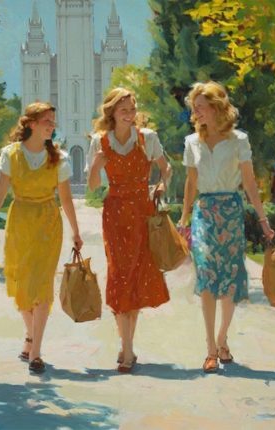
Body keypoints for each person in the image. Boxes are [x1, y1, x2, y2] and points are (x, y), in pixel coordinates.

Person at [177, 81, 275, 374]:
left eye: (201, 107)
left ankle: (222, 340)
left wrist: (263, 220)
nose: (197, 113)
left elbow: (250, 183)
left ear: (217, 108)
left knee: (230, 280)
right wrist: (184, 218)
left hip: (231, 212)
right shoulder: (191, 142)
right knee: (207, 278)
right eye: (194, 109)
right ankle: (210, 349)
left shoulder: (239, 140)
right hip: (204, 213)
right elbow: (190, 183)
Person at [0, 102, 82, 374]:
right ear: (32, 123)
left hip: (48, 222)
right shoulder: (10, 155)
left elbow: (67, 198)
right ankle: (30, 335)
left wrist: (76, 231)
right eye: (47, 120)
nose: (52, 125)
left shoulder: (58, 157)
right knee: (21, 283)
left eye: (53, 121)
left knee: (42, 284)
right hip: (20, 220)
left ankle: (35, 352)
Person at [86, 87, 172, 373]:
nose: (130, 114)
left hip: (142, 212)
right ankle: (126, 347)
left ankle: (127, 347)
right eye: (124, 110)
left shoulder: (147, 138)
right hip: (115, 214)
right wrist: (96, 167)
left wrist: (161, 185)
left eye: (132, 109)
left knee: (135, 276)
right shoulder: (100, 142)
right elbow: (93, 187)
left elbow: (166, 168)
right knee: (119, 274)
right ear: (111, 112)